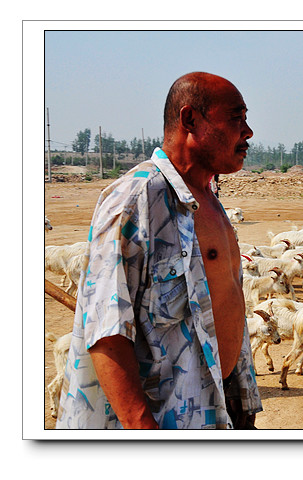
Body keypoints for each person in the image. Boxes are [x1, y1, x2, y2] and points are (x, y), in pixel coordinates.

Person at [55, 72, 261, 429]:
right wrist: (143, 431)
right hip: (166, 419)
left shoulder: (208, 200)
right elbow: (106, 327)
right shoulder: (136, 199)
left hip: (218, 405)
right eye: (235, 117)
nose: (248, 131)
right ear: (190, 120)